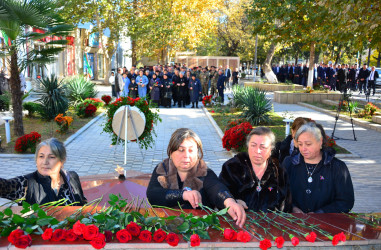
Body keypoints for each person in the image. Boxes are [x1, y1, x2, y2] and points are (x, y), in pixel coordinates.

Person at [146, 128, 246, 227]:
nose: (186, 155)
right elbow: (153, 195)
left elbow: (216, 188)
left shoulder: (204, 172)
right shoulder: (162, 170)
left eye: (191, 150)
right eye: (181, 150)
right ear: (171, 152)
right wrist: (184, 195)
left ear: (197, 153)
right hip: (166, 227)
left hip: (199, 231)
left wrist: (229, 201)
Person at [283, 122, 354, 213]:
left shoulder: (337, 167)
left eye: (308, 144)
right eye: (300, 144)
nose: (303, 149)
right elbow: (281, 193)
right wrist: (292, 208)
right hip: (294, 222)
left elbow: (346, 201)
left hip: (326, 224)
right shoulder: (289, 163)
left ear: (320, 142)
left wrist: (321, 213)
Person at [219, 127, 292, 212]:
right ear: (247, 146)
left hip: (271, 223)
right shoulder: (232, 167)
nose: (257, 151)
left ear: (271, 149)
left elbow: (286, 206)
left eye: (263, 147)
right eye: (253, 145)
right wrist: (233, 201)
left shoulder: (279, 172)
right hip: (237, 223)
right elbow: (221, 195)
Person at [0, 138, 87, 205]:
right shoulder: (26, 183)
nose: (45, 162)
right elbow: (4, 186)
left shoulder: (72, 177)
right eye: (41, 156)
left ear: (62, 160)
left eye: (51, 157)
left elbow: (82, 204)